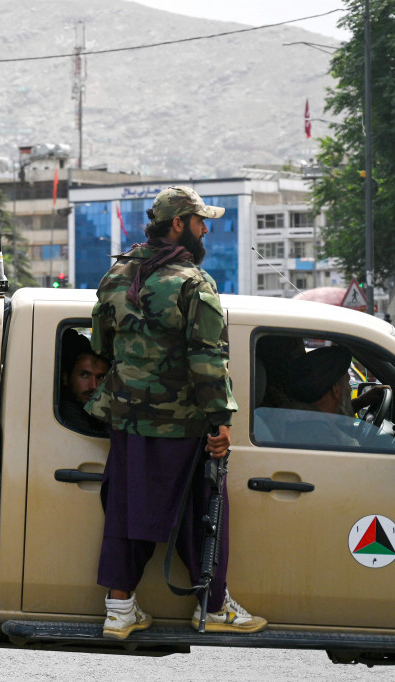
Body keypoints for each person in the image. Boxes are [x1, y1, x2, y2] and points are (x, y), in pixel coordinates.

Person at [85, 185, 266, 639]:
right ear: (179, 224)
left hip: (127, 419)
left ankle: (119, 610)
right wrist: (221, 420)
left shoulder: (117, 275)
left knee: (126, 509)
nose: (207, 229)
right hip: (182, 424)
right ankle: (214, 604)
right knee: (204, 509)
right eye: (201, 220)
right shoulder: (192, 282)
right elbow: (208, 359)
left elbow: (100, 346)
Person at [59, 329, 110, 436]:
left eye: (101, 377)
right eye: (85, 375)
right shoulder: (67, 416)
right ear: (66, 378)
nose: (94, 386)